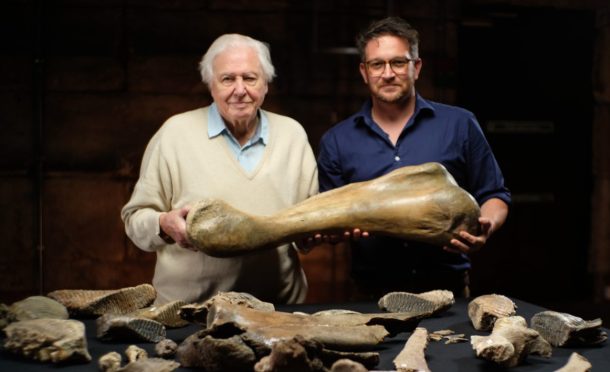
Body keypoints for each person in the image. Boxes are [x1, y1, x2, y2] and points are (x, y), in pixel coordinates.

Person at [317, 17, 511, 299]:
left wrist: (487, 225)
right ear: (364, 71)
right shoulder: (337, 140)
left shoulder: (460, 124)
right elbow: (331, 216)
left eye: (398, 62)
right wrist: (334, 232)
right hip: (372, 294)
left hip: (449, 288)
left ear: (416, 67)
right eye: (377, 64)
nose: (387, 73)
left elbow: (495, 193)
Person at [121, 34, 318, 305]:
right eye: (228, 79)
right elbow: (135, 220)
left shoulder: (292, 135)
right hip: (189, 314)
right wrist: (164, 224)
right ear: (211, 85)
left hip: (277, 312)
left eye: (250, 78)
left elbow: (306, 223)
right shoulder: (175, 133)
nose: (240, 90)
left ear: (266, 84)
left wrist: (313, 235)